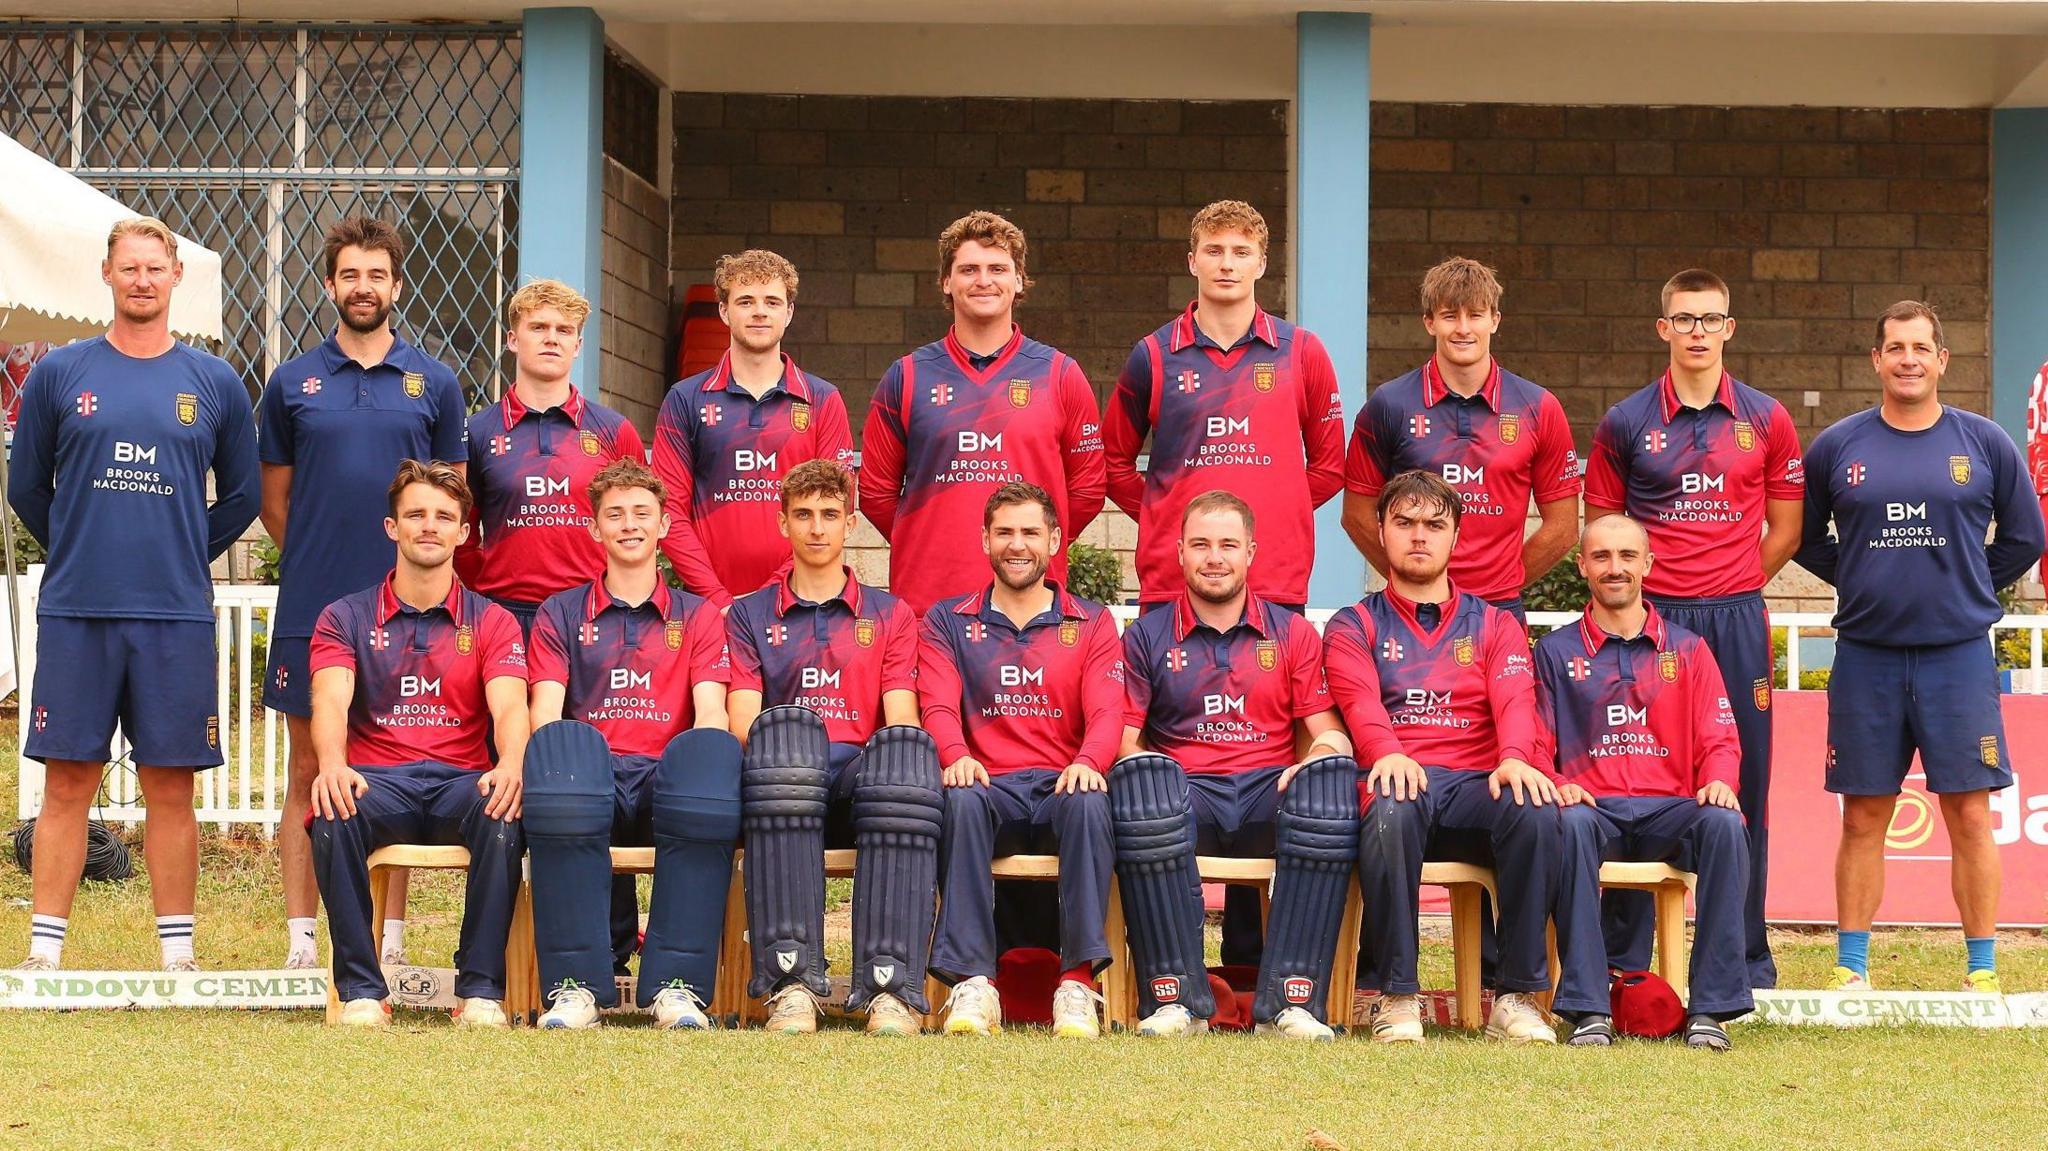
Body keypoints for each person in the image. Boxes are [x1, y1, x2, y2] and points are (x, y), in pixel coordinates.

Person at [10, 216, 259, 973]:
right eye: (130, 267)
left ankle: (178, 957)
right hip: (79, 609)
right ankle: (44, 954)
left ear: (176, 276)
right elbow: (27, 487)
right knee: (68, 779)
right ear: (108, 274)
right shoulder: (61, 372)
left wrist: (180, 551)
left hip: (174, 615)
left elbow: (243, 496)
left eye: (156, 267)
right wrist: (86, 544)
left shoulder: (213, 381)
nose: (143, 280)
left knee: (169, 784)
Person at [1796, 301, 2044, 994]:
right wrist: (1862, 576)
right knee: (1865, 812)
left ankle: (1983, 969)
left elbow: (2025, 538)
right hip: (1868, 656)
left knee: (1969, 811)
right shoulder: (1839, 446)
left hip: (1957, 655)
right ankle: (1850, 968)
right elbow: (1807, 536)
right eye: (1894, 347)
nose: (1908, 358)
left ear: (1942, 361)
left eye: (1920, 347)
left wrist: (1962, 586)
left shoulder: (1986, 442)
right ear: (1876, 359)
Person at [255, 216, 469, 970]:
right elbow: (274, 502)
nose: (363, 287)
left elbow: (450, 498)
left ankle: (391, 940)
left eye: (376, 274)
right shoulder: (292, 383)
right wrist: (325, 560)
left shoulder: (434, 382)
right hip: (315, 607)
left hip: (408, 615)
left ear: (396, 285)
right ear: (330, 285)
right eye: (350, 274)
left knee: (394, 768)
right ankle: (301, 941)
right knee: (310, 773)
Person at [1584, 267, 1803, 989]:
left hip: (1735, 618)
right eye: (1685, 319)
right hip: (1652, 621)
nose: (1698, 332)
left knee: (1742, 785)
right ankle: (1624, 964)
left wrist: (1728, 581)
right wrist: (1665, 594)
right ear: (1664, 328)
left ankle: (1742, 958)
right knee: (1633, 774)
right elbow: (1606, 529)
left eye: (1710, 319)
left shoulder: (1767, 418)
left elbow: (1786, 528)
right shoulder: (1625, 421)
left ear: (1729, 328)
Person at [1323, 470, 1559, 1044]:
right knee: (1392, 801)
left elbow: (1513, 694)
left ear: (1457, 537)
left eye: (1435, 525)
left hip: (1478, 785)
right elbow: (1358, 703)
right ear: (1381, 531)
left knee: (1533, 806)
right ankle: (1398, 998)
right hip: (1398, 783)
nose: (1419, 536)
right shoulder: (1353, 624)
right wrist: (1388, 751)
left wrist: (1513, 757)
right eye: (1404, 523)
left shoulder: (1496, 622)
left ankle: (1516, 996)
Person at [1111, 490, 1355, 1040]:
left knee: (1328, 790)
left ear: (1251, 552)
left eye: (1227, 545)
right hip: (1185, 794)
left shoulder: (1291, 632)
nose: (1214, 557)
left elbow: (1330, 733)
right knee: (1143, 792)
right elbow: (1124, 741)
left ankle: (1293, 1004)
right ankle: (1176, 1001)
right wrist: (1153, 769)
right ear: (1178, 552)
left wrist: (1315, 758)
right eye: (1200, 544)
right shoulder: (1147, 636)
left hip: (1268, 790)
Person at [306, 460, 528, 1027]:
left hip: (460, 784)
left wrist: (512, 764)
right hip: (379, 783)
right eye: (416, 515)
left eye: (444, 516)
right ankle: (360, 990)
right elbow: (329, 700)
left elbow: (509, 706)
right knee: (333, 807)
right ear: (393, 528)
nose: (429, 526)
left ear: (462, 531)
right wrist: (332, 764)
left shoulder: (494, 621)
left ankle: (479, 991)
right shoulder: (345, 616)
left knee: (504, 811)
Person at [522, 458, 737, 1030]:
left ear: (665, 525)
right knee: (566, 774)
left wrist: (706, 768)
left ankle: (677, 987)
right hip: (591, 780)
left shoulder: (699, 615)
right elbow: (545, 712)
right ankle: (575, 990)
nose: (629, 525)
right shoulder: (560, 612)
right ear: (594, 529)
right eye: (614, 515)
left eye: (642, 513)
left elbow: (712, 710)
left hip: (665, 780)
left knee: (705, 775)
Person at [725, 460, 938, 1035]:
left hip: (859, 779)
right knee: (783, 757)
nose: (817, 528)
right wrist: (787, 765)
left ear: (849, 523)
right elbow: (743, 721)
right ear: (782, 523)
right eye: (803, 515)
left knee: (903, 768)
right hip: (783, 782)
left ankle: (890, 989)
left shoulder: (890, 613)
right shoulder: (747, 614)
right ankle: (791, 986)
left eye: (829, 515)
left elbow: (900, 718)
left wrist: (890, 763)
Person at [1534, 515, 1753, 1050]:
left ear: (1648, 565)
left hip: (1669, 811)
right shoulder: (1555, 652)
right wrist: (1554, 780)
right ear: (1582, 565)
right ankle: (1588, 1010)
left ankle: (1710, 1010)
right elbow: (1535, 740)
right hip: (1594, 807)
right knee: (1571, 824)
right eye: (1602, 556)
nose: (1616, 568)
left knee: (1725, 825)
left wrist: (1721, 781)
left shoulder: (1689, 649)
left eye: (1628, 556)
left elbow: (1720, 737)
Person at [919, 482, 1123, 1038]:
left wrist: (1089, 761)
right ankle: (973, 984)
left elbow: (1108, 712)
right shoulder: (948, 620)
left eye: (1030, 532)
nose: (1017, 544)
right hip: (990, 785)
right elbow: (936, 702)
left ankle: (1078, 984)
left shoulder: (1092, 622)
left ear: (1054, 540)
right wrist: (956, 754)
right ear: (985, 539)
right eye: (1005, 531)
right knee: (956, 799)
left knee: (1090, 802)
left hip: (1061, 785)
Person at [859, 210, 1106, 615]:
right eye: (969, 269)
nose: (984, 280)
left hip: (1031, 605)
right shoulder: (905, 376)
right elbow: (875, 493)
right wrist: (926, 538)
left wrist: (1034, 543)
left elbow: (1089, 488)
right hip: (929, 606)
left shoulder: (1060, 374)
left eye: (998, 268)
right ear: (946, 281)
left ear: (1018, 280)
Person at [1104, 200, 1345, 610]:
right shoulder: (1154, 354)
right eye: (1214, 251)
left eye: (1241, 252)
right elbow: (1111, 461)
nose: (1227, 265)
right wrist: (1162, 516)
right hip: (1174, 580)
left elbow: (1331, 467)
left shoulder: (1303, 353)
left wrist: (1281, 511)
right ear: (1192, 262)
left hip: (1273, 578)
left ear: (1262, 264)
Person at [1340, 256, 1580, 620]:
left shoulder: (1539, 407)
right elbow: (1356, 515)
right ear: (1429, 322)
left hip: (1498, 610)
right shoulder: (1389, 405)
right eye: (1450, 315)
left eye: (1476, 315)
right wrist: (1410, 576)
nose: (1463, 328)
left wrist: (1505, 581)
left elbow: (1563, 527)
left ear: (1495, 320)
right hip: (1412, 609)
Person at [653, 250, 855, 608]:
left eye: (772, 301)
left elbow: (833, 507)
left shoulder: (822, 399)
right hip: (710, 609)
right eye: (746, 301)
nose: (760, 311)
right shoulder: (685, 399)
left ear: (788, 313)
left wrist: (770, 596)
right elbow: (669, 512)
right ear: (723, 310)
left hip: (801, 602)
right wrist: (718, 600)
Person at [458, 279, 644, 635]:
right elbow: (461, 536)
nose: (551, 338)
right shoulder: (478, 432)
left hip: (594, 615)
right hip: (504, 617)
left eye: (564, 330)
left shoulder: (615, 430)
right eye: (538, 327)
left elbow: (643, 526)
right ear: (513, 340)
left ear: (577, 345)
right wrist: (488, 594)